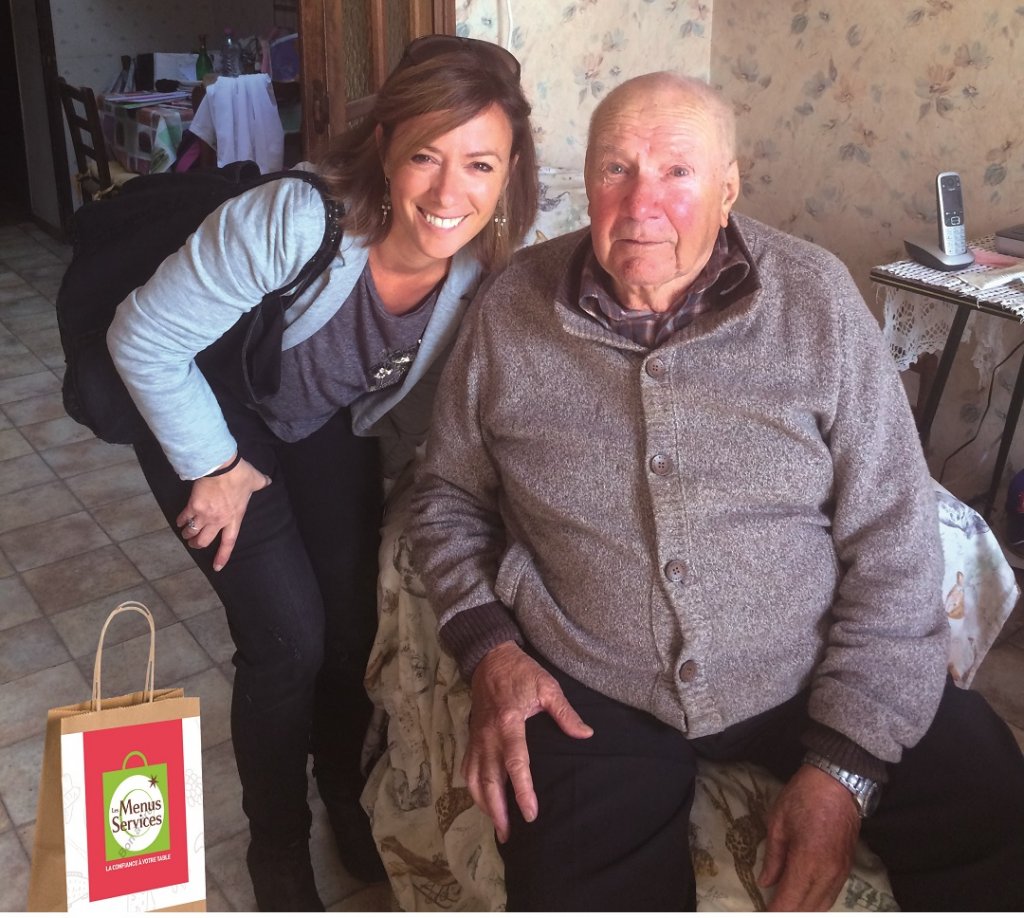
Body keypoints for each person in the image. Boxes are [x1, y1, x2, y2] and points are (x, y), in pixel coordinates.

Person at [409, 71, 1024, 911]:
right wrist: (490, 647)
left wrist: (845, 763)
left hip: (803, 664)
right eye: (615, 169)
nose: (640, 203)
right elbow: (445, 494)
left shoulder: (815, 299)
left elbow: (893, 531)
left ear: (729, 188)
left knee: (993, 794)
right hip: (593, 682)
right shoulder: (511, 306)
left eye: (677, 172)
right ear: (585, 182)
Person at [107, 35, 538, 912]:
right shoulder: (297, 220)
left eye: (479, 163)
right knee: (289, 641)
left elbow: (417, 409)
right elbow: (142, 339)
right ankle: (276, 846)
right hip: (210, 406)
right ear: (384, 145)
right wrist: (217, 465)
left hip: (312, 420)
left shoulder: (486, 267)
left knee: (350, 630)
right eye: (425, 155)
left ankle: (344, 791)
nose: (450, 193)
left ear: (510, 169)